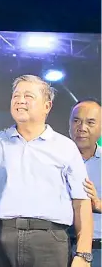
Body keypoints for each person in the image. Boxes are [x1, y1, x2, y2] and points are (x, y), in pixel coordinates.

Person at [0, 75, 93, 267]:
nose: (20, 100)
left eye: (28, 96)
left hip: (49, 243)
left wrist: (83, 253)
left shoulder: (66, 148)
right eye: (16, 95)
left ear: (47, 106)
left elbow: (81, 204)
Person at [69, 99, 101, 266]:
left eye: (90, 122)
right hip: (60, 246)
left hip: (98, 250)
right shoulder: (55, 158)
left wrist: (97, 204)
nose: (82, 128)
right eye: (76, 121)